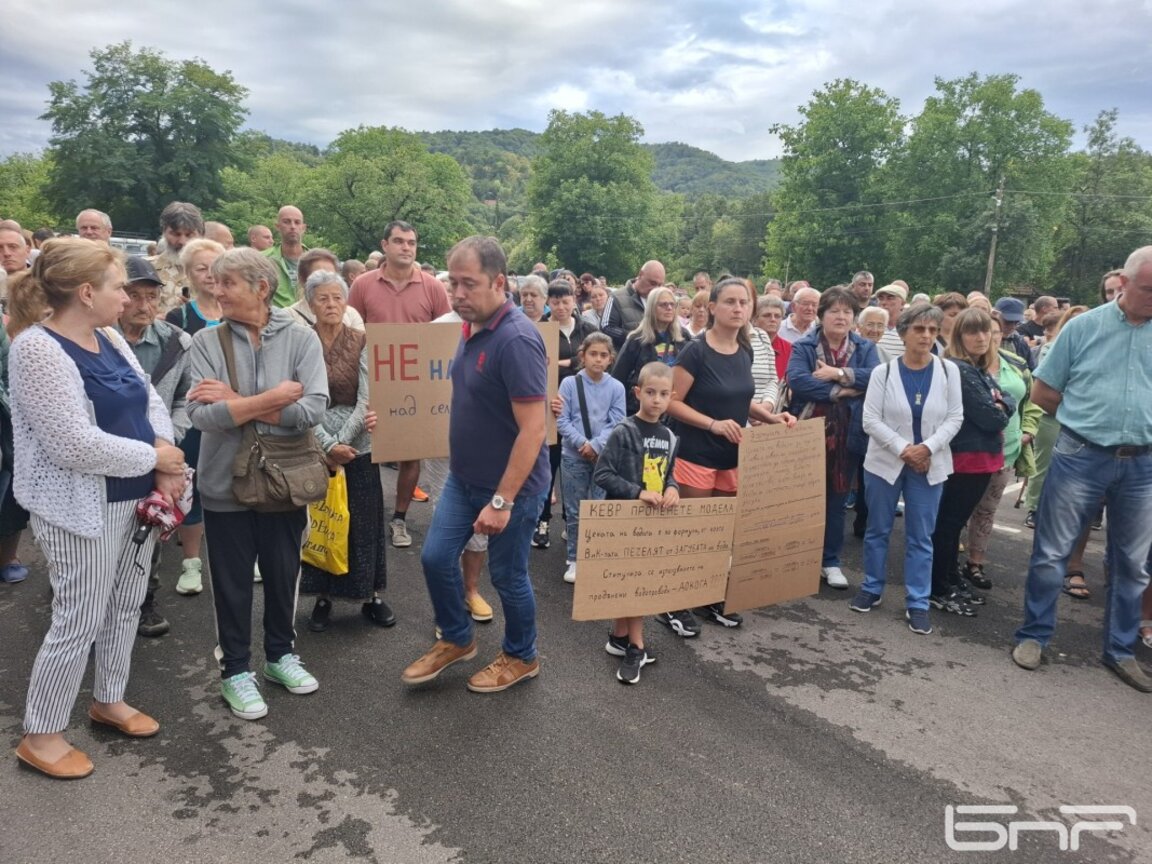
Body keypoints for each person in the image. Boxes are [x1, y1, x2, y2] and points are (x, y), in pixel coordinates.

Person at [7, 237, 187, 779]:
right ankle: (41, 734)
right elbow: (71, 444)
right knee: (78, 618)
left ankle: (109, 699)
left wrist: (164, 462)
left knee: (125, 605)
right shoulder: (37, 348)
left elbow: (149, 400)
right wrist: (156, 456)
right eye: (118, 288)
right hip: (79, 507)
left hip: (136, 501)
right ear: (86, 293)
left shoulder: (108, 337)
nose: (128, 298)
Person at [402, 235, 549, 694]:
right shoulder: (472, 328)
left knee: (507, 576)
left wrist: (502, 501)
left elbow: (534, 430)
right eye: (453, 283)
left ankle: (522, 656)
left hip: (511, 491)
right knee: (434, 557)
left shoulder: (516, 339)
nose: (458, 294)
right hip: (464, 480)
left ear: (499, 282)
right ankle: (458, 638)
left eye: (469, 284)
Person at [187, 247, 329, 721]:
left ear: (261, 288)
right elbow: (201, 415)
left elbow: (312, 409)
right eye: (216, 282)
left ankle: (280, 655)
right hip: (223, 481)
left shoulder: (301, 337)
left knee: (283, 574)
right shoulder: (206, 341)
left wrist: (235, 401)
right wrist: (271, 399)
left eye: (227, 283)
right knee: (231, 585)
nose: (217, 291)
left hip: (286, 480)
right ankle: (235, 670)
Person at [1013, 246, 1152, 692]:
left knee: (1133, 563)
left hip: (1144, 463)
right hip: (1081, 455)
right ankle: (1034, 636)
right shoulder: (1083, 327)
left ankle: (1121, 650)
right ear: (1123, 284)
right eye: (1149, 289)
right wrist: (1086, 421)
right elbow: (1043, 391)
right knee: (1052, 552)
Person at [666, 278, 796, 634]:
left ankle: (707, 596)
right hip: (695, 455)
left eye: (744, 302)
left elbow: (740, 399)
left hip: (732, 456)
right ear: (712, 308)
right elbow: (671, 402)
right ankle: (673, 603)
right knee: (693, 533)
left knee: (719, 534)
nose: (738, 308)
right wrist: (713, 424)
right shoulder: (695, 351)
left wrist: (772, 417)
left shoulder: (745, 350)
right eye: (730, 302)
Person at [853, 304, 963, 633]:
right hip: (885, 463)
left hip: (929, 464)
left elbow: (955, 417)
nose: (926, 336)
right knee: (877, 529)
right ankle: (872, 587)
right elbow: (870, 420)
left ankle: (918, 601)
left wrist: (926, 448)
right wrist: (905, 449)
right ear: (903, 333)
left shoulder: (949, 371)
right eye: (919, 329)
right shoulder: (883, 372)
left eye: (932, 330)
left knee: (921, 536)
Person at [298, 270, 393, 632]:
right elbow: (300, 398)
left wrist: (343, 441)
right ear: (311, 303)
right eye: (323, 298)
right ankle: (323, 597)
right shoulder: (301, 342)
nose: (331, 304)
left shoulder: (361, 340)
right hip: (314, 444)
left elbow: (367, 397)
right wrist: (327, 445)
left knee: (364, 521)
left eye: (337, 297)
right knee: (322, 522)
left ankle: (371, 596)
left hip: (360, 445)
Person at [348, 220, 450, 548]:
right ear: (385, 245)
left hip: (415, 387)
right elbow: (350, 332)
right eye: (399, 241)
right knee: (364, 450)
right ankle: (364, 516)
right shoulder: (362, 285)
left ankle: (399, 518)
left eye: (411, 242)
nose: (406, 247)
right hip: (370, 381)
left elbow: (447, 335)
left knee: (410, 454)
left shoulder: (432, 287)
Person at [115, 256, 197, 636]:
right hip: (109, 450)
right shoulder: (98, 337)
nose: (144, 305)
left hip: (159, 452)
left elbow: (185, 397)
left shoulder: (176, 342)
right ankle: (88, 598)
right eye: (134, 295)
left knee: (150, 522)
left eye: (152, 296)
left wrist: (170, 440)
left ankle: (144, 599)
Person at [787, 286, 879, 589]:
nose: (841, 317)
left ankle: (830, 560)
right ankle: (797, 556)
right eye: (835, 311)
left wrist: (837, 374)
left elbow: (876, 378)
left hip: (849, 434)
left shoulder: (864, 347)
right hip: (808, 429)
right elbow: (798, 381)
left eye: (847, 311)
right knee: (802, 495)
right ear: (822, 315)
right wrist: (844, 390)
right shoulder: (805, 346)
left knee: (837, 498)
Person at [593, 361, 680, 683]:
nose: (656, 400)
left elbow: (670, 473)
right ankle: (636, 646)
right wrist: (637, 492)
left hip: (653, 523)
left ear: (672, 397)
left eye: (663, 394)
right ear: (637, 392)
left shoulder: (669, 436)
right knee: (634, 584)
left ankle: (619, 637)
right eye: (650, 392)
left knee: (634, 580)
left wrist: (672, 489)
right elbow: (602, 474)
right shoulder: (624, 431)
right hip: (624, 521)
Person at [928, 308, 1014, 616]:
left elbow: (1006, 398)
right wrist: (1001, 405)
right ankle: (938, 587)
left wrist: (1002, 403)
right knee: (949, 525)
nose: (981, 337)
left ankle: (949, 579)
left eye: (986, 330)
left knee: (953, 525)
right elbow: (992, 417)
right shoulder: (961, 369)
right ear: (959, 336)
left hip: (977, 458)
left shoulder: (976, 369)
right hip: (966, 459)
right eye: (972, 331)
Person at [960, 310, 1040, 591]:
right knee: (959, 509)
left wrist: (1028, 430)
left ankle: (975, 563)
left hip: (1006, 452)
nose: (989, 337)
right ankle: (947, 560)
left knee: (987, 510)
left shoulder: (1017, 364)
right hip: (969, 452)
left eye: (993, 332)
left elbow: (1031, 401)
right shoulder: (964, 366)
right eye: (982, 331)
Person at [531, 280, 598, 551]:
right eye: (556, 301)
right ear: (549, 302)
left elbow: (595, 359)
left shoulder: (587, 329)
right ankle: (542, 520)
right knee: (548, 466)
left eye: (566, 301)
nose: (561, 307)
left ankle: (572, 522)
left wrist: (562, 363)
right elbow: (535, 364)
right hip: (549, 407)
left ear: (574, 300)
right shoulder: (540, 329)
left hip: (582, 408)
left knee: (576, 470)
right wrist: (573, 363)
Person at [556, 332, 625, 583]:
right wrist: (582, 443)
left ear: (610, 359)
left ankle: (593, 555)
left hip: (603, 458)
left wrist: (595, 445)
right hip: (572, 456)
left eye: (603, 355)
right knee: (575, 510)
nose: (598, 359)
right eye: (593, 354)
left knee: (597, 508)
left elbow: (617, 421)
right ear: (582, 356)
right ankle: (574, 558)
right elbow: (562, 419)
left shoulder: (616, 388)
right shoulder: (569, 384)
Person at [612, 286, 686, 416]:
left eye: (672, 304)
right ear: (651, 308)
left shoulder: (683, 337)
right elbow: (618, 377)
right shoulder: (637, 339)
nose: (669, 308)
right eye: (663, 304)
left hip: (674, 410)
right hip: (642, 408)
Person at [285, 248, 365, 331]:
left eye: (332, 276)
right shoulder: (288, 317)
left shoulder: (351, 315)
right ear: (302, 280)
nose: (327, 282)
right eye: (318, 277)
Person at [149, 202, 205, 314]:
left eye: (189, 235)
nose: (182, 241)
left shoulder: (214, 273)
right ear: (164, 232)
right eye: (176, 234)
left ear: (201, 234)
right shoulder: (147, 269)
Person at [165, 238, 224, 336]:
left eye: (215, 267)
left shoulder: (237, 311)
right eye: (202, 269)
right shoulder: (178, 317)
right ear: (188, 274)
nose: (210, 275)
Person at [602, 260, 666, 349]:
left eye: (660, 285)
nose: (656, 289)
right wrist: (636, 338)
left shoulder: (662, 301)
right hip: (625, 354)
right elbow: (606, 327)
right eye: (652, 283)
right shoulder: (616, 297)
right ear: (640, 275)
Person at [264, 206, 308, 309]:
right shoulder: (262, 259)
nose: (292, 226)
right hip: (276, 317)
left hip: (309, 317)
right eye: (286, 222)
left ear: (303, 228)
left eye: (297, 222)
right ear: (277, 226)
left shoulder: (316, 261)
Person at [753, 295, 791, 388]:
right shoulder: (744, 345)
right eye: (767, 315)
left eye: (777, 316)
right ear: (754, 319)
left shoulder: (789, 349)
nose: (773, 319)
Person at [874, 284, 907, 359]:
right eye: (881, 298)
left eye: (890, 298)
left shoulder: (910, 329)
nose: (884, 302)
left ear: (902, 303)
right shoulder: (870, 328)